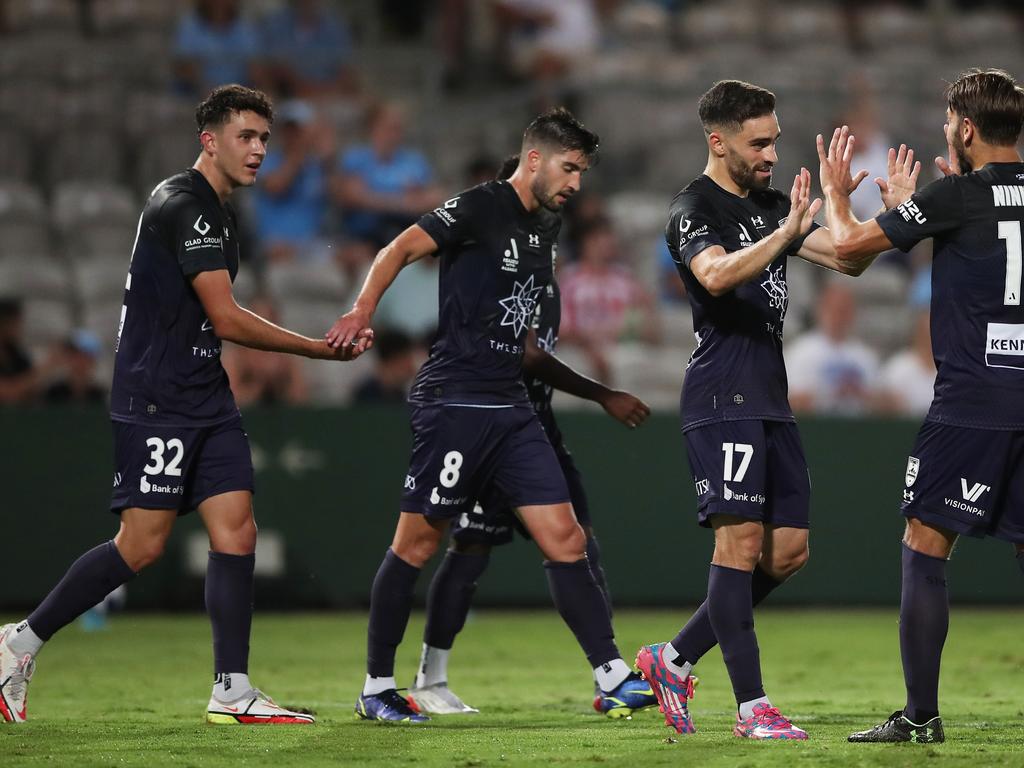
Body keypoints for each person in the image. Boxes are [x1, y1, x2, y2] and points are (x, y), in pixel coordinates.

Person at [0, 85, 370, 726]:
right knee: (140, 546)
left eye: (263, 138)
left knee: (237, 530)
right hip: (157, 399)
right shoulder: (187, 206)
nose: (257, 150)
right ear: (210, 140)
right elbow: (225, 318)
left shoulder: (221, 211)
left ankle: (232, 688)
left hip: (205, 396)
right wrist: (316, 348)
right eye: (245, 137)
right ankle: (17, 645)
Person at [327, 108, 650, 724]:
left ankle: (612, 677)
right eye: (570, 167)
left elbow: (525, 332)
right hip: (455, 400)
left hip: (511, 405)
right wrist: (361, 310)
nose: (577, 182)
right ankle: (376, 688)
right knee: (418, 543)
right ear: (535, 159)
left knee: (566, 538)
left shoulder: (544, 229)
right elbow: (398, 248)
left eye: (582, 171)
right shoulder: (477, 207)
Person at [634, 80, 918, 740]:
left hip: (769, 394)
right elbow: (713, 275)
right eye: (758, 142)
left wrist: (887, 214)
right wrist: (786, 233)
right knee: (736, 549)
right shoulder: (692, 206)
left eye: (775, 141)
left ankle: (671, 658)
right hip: (720, 393)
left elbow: (847, 260)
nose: (769, 153)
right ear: (718, 140)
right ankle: (751, 708)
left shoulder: (769, 204)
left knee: (787, 552)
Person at [406, 154, 656, 719]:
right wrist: (603, 394)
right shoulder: (494, 257)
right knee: (468, 549)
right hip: (486, 420)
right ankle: (429, 676)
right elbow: (527, 355)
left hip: (534, 423)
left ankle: (608, 674)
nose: (563, 196)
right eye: (557, 184)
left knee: (579, 544)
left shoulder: (545, 265)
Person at [819, 68, 1024, 745]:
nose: (945, 133)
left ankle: (919, 716)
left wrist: (837, 198)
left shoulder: (956, 194)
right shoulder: (957, 200)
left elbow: (847, 250)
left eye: (947, 124)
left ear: (966, 129)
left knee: (925, 542)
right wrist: (923, 214)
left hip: (973, 401)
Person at [785, 281, 882, 415]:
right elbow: (788, 401)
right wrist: (828, 393)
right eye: (835, 309)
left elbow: (882, 404)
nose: (840, 316)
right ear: (821, 310)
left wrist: (860, 393)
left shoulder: (865, 356)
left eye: (845, 310)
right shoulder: (801, 352)